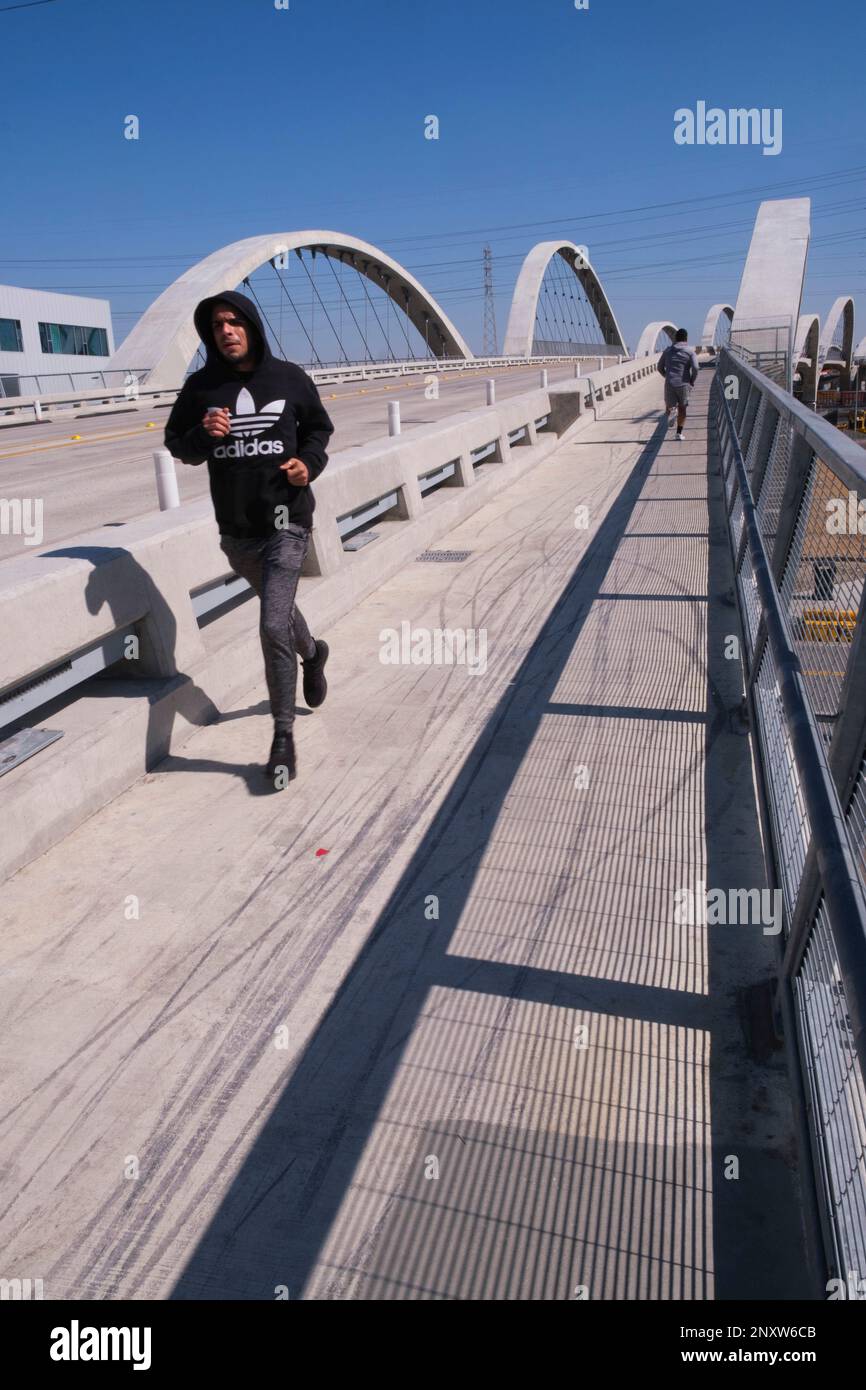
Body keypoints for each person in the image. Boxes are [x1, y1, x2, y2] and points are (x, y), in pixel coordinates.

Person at [164, 290, 334, 788]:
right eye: (217, 325)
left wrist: (310, 465)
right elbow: (178, 447)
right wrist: (203, 435)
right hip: (237, 533)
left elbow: (319, 429)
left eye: (235, 322)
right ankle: (314, 653)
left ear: (252, 326)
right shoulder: (202, 388)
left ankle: (282, 737)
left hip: (287, 521)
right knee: (280, 618)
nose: (227, 331)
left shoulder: (289, 379)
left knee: (269, 626)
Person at [657, 328, 700, 440]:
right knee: (683, 409)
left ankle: (672, 411)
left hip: (670, 383)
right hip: (684, 384)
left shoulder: (667, 351)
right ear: (686, 338)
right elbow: (695, 368)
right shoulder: (690, 351)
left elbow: (659, 367)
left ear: (675, 338)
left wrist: (667, 376)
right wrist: (692, 380)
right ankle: (679, 433)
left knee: (669, 408)